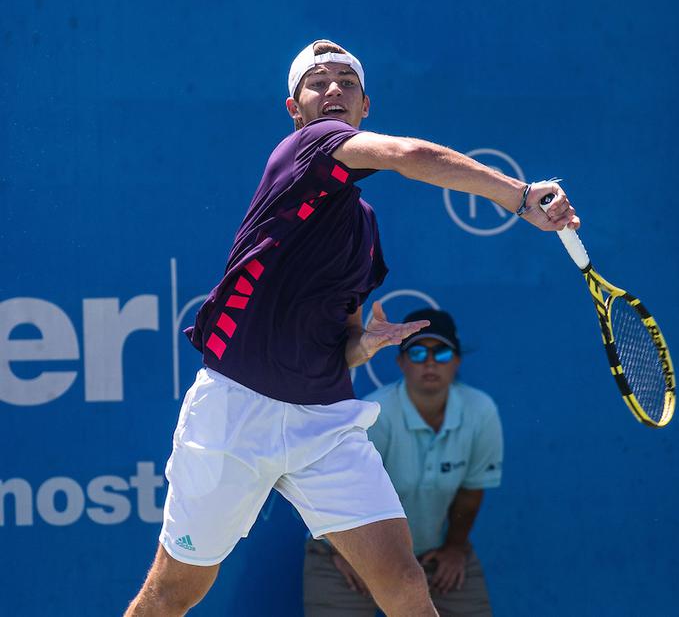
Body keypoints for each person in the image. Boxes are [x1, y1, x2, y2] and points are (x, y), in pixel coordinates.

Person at [124, 39, 578, 617]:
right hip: (237, 409)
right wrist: (518, 197)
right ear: (295, 109)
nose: (333, 89)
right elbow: (409, 153)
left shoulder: (362, 225)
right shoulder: (308, 147)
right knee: (172, 595)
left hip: (324, 419)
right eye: (318, 82)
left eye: (347, 82)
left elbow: (343, 344)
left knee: (404, 584)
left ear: (366, 105)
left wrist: (365, 343)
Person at [304, 309, 502, 616]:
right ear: (401, 362)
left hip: (433, 554)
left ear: (457, 360)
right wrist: (348, 552)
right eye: (418, 351)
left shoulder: (481, 411)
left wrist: (454, 548)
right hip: (344, 552)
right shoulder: (375, 414)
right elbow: (335, 489)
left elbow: (471, 489)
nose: (430, 362)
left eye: (442, 352)